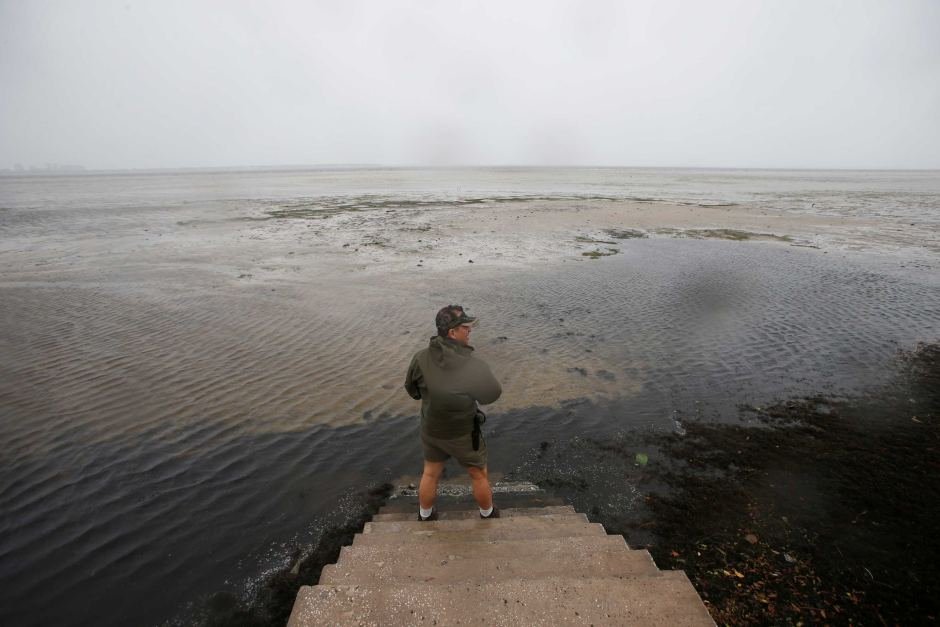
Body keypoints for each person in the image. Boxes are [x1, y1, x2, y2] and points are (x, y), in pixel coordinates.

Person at [404, 305, 502, 521]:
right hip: (463, 433)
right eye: (466, 327)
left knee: (430, 472)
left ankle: (425, 515)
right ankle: (487, 513)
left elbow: (412, 391)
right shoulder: (474, 366)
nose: (470, 330)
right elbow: (491, 395)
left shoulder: (420, 359)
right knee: (478, 473)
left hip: (432, 430)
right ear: (452, 332)